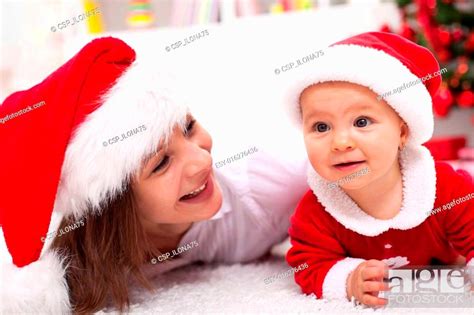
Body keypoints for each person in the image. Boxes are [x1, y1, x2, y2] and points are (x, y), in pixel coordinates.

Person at [0, 37, 308, 314]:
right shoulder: (84, 252)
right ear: (115, 203)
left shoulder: (269, 185)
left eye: (189, 127)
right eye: (161, 164)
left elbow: (349, 181)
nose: (202, 160)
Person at [284, 32, 474, 307]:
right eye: (321, 127)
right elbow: (308, 265)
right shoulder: (316, 211)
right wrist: (348, 280)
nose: (340, 143)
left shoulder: (445, 188)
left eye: (361, 122)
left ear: (402, 132)